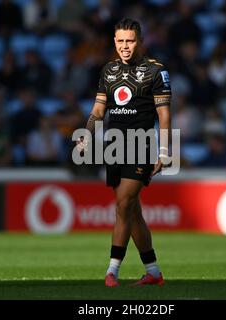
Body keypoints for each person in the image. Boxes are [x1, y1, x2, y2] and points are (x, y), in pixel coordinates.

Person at [76, 18, 171, 287]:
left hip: (141, 144)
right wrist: (87, 133)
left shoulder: (156, 71)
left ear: (139, 40)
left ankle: (112, 270)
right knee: (132, 212)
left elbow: (164, 116)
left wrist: (164, 151)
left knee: (123, 204)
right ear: (114, 41)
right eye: (120, 41)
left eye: (130, 41)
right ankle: (153, 271)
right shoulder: (108, 71)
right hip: (115, 146)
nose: (125, 46)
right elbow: (97, 111)